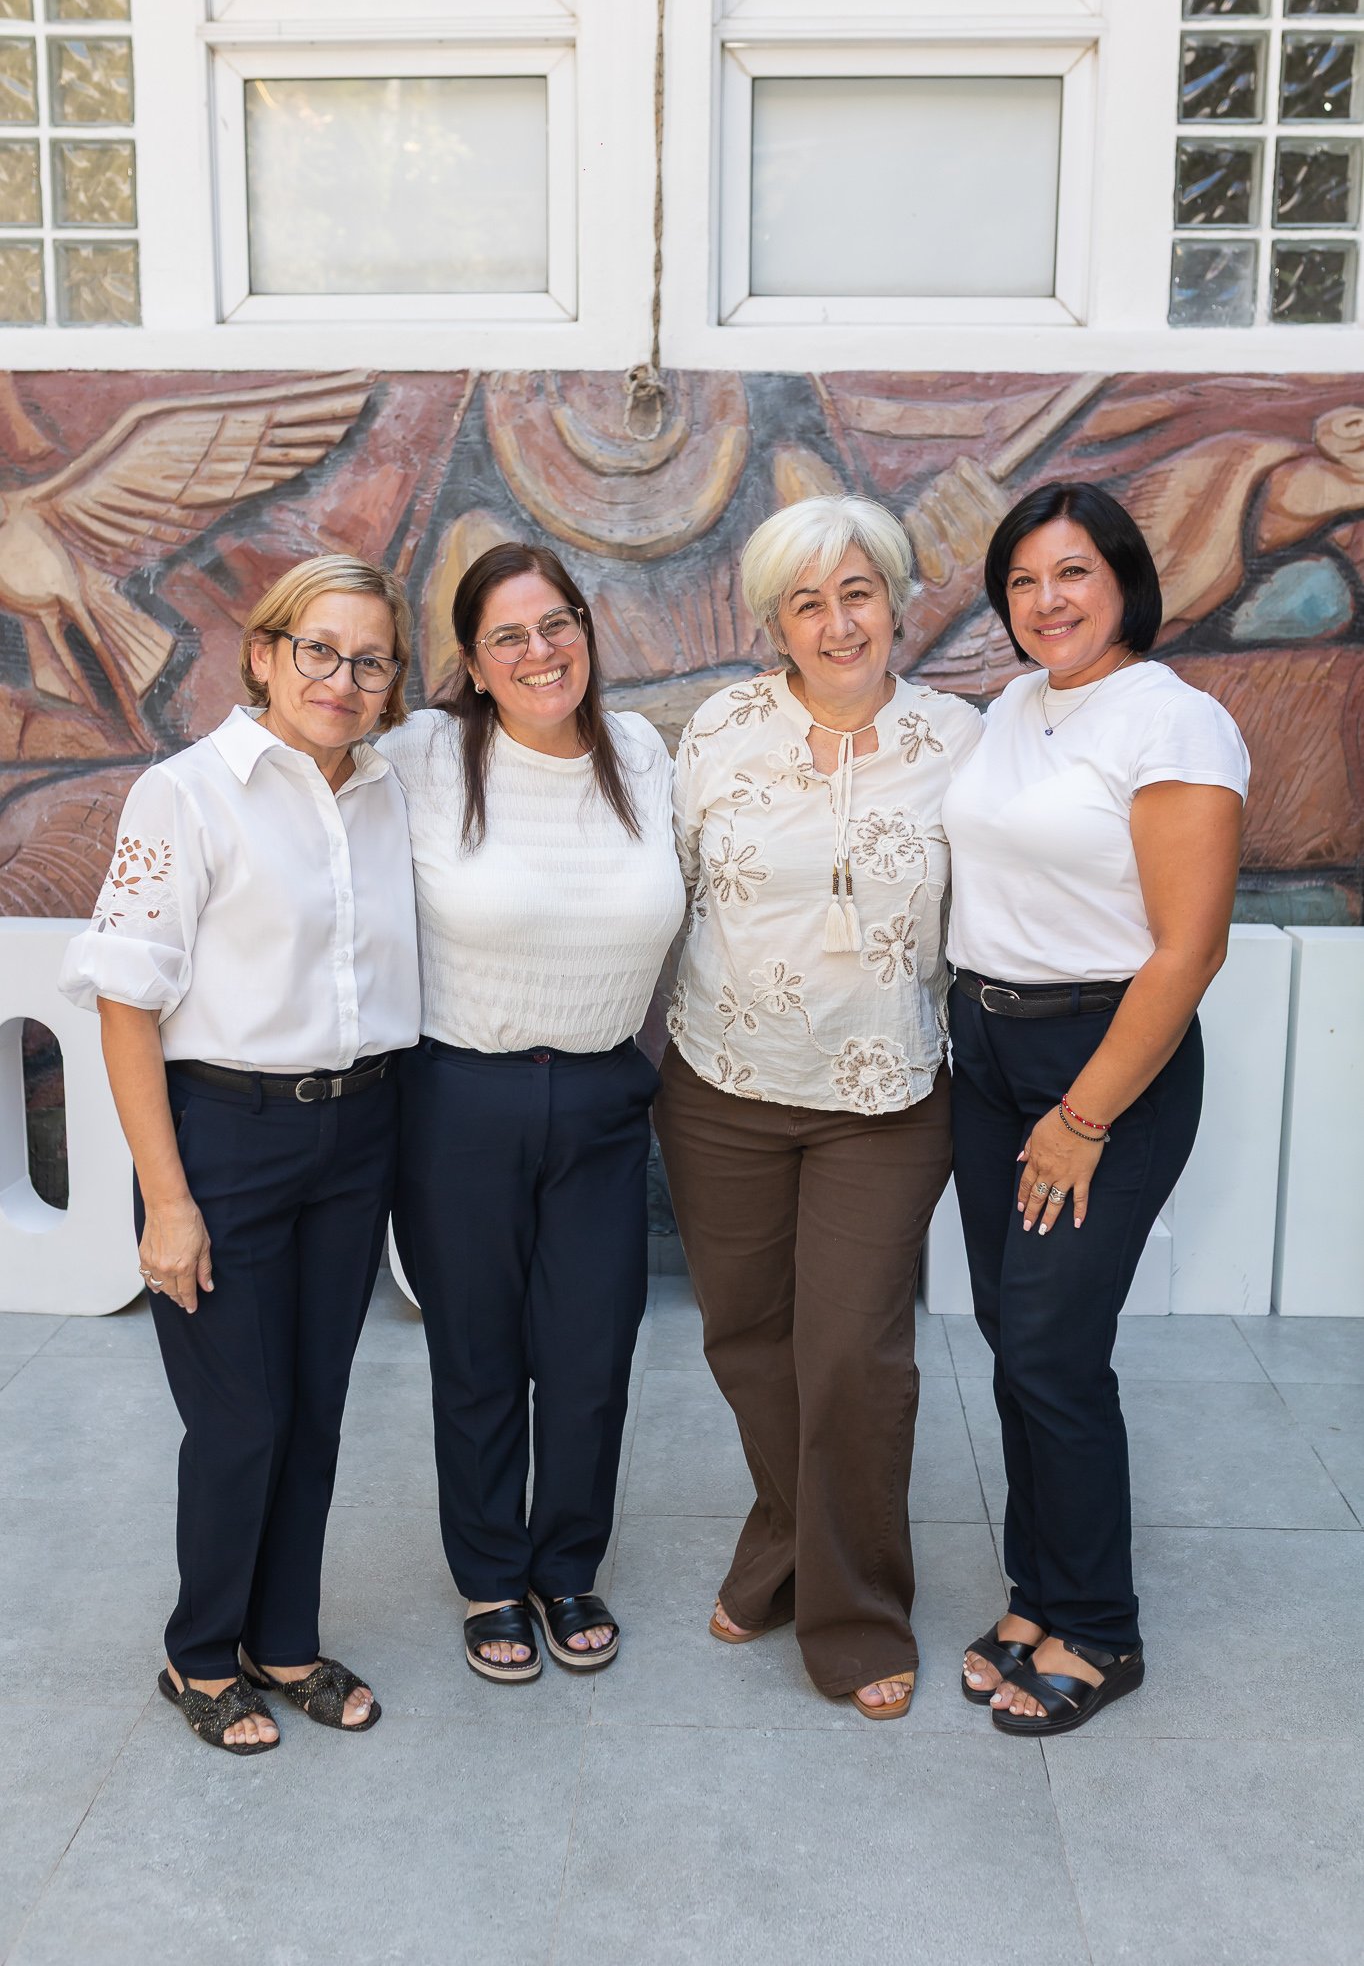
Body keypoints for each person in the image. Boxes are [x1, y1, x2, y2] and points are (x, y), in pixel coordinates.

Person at [60, 555, 419, 1754]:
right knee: (239, 1418)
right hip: (222, 1135)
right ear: (262, 652)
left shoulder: (384, 790)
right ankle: (200, 1653)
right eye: (317, 649)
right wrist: (167, 1199)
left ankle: (286, 1640)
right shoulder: (185, 793)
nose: (341, 678)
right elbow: (125, 1005)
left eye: (368, 660)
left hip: (356, 1130)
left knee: (314, 1408)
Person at [652, 495, 983, 1719]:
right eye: (806, 603)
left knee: (850, 1355)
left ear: (894, 599)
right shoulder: (721, 729)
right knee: (746, 1340)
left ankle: (855, 1612)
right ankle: (785, 1542)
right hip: (719, 1085)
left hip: (883, 1095)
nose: (837, 623)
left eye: (857, 593)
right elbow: (663, 888)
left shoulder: (958, 740)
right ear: (772, 623)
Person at [943, 481, 1249, 1736]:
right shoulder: (1015, 705)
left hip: (1103, 1058)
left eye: (1070, 571)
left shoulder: (1172, 721)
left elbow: (1187, 949)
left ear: (1123, 577)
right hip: (986, 1047)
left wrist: (1078, 1118)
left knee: (1053, 1347)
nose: (1045, 600)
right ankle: (1037, 1593)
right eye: (1021, 581)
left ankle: (1099, 1627)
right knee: (1011, 1331)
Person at [378, 542, 684, 1683]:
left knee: (591, 1351)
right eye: (506, 636)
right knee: (477, 1354)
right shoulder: (422, 755)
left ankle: (567, 1565)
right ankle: (491, 1576)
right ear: (472, 662)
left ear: (586, 631)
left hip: (604, 1091)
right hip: (460, 1095)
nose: (538, 651)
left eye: (556, 624)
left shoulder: (639, 752)